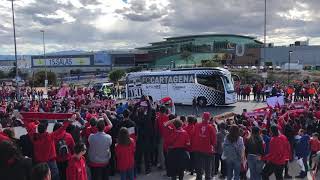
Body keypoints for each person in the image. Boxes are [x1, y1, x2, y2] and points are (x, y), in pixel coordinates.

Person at [191, 112, 217, 180]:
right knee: (208, 167)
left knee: (199, 166)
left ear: (202, 118)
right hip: (207, 150)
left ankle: (199, 177)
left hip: (197, 149)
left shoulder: (197, 125)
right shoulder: (211, 127)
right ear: (208, 119)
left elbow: (193, 135)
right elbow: (214, 140)